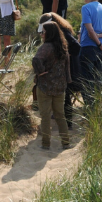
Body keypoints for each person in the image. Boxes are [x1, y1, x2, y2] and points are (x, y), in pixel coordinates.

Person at [31, 22, 72, 150]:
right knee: (60, 115)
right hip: (60, 87)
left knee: (45, 116)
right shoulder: (63, 47)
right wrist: (67, 81)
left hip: (45, 86)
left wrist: (40, 72)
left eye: (43, 32)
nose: (41, 34)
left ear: (49, 33)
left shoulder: (46, 47)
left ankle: (45, 144)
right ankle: (65, 143)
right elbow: (67, 68)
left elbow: (36, 60)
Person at [38, 13, 81, 129]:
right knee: (63, 96)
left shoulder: (63, 31)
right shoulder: (59, 30)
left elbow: (76, 47)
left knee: (66, 96)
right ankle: (64, 121)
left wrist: (65, 56)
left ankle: (68, 124)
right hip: (65, 68)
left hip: (69, 69)